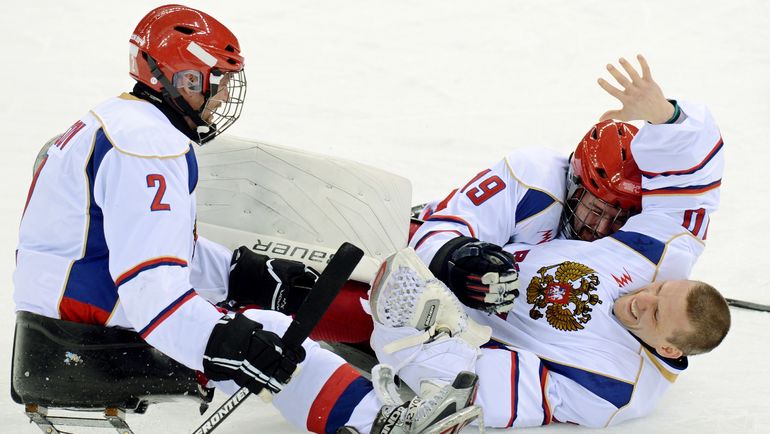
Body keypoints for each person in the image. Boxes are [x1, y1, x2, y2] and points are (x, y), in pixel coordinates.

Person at [13, 5, 480, 434]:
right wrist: (226, 342)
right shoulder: (147, 146)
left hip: (61, 314)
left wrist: (250, 276)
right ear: (182, 78)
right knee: (269, 337)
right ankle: (381, 425)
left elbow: (151, 250)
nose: (220, 98)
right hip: (86, 324)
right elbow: (149, 287)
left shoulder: (117, 122)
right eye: (214, 82)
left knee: (263, 317)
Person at [369, 55, 731, 428]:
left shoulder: (614, 388)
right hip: (423, 248)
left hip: (412, 320)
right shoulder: (650, 253)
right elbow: (691, 195)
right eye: (594, 207)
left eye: (618, 217)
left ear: (669, 348)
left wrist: (416, 335)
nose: (644, 298)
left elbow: (491, 390)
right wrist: (666, 116)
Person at [410, 98, 646, 315]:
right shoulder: (533, 179)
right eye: (596, 210)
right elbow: (433, 238)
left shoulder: (646, 230)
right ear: (575, 188)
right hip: (413, 246)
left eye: (619, 218)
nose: (602, 228)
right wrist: (458, 263)